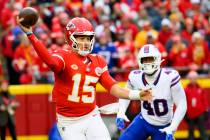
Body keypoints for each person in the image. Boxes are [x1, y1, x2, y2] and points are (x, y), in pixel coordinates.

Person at [16, 16, 153, 140]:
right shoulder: (63, 56)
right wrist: (31, 35)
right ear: (71, 38)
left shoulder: (98, 61)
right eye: (81, 38)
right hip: (69, 122)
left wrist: (137, 94)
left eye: (88, 38)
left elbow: (114, 88)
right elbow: (51, 62)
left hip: (91, 116)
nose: (86, 42)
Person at [116, 44, 187, 140]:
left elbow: (182, 104)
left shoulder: (169, 77)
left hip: (163, 126)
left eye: (150, 59)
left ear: (158, 59)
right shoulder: (135, 76)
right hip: (143, 121)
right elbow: (126, 94)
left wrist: (173, 127)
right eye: (145, 60)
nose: (147, 63)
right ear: (140, 61)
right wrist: (121, 112)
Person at [185, 70, 209, 140]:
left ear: (197, 78)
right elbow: (184, 102)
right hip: (190, 113)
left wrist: (206, 110)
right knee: (191, 130)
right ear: (189, 79)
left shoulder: (201, 88)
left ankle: (204, 138)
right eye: (191, 78)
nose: (193, 80)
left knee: (202, 129)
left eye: (195, 78)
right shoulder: (186, 89)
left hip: (200, 112)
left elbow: (204, 100)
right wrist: (185, 113)